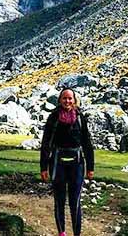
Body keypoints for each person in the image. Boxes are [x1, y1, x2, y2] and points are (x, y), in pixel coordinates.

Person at [40, 88, 95, 236]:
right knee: (59, 200)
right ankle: (62, 233)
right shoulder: (54, 117)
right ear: (59, 100)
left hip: (77, 164)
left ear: (74, 100)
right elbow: (46, 143)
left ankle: (77, 233)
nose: (67, 101)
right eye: (64, 98)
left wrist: (90, 167)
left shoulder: (79, 117)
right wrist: (43, 167)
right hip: (57, 164)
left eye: (70, 98)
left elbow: (87, 143)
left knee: (75, 201)